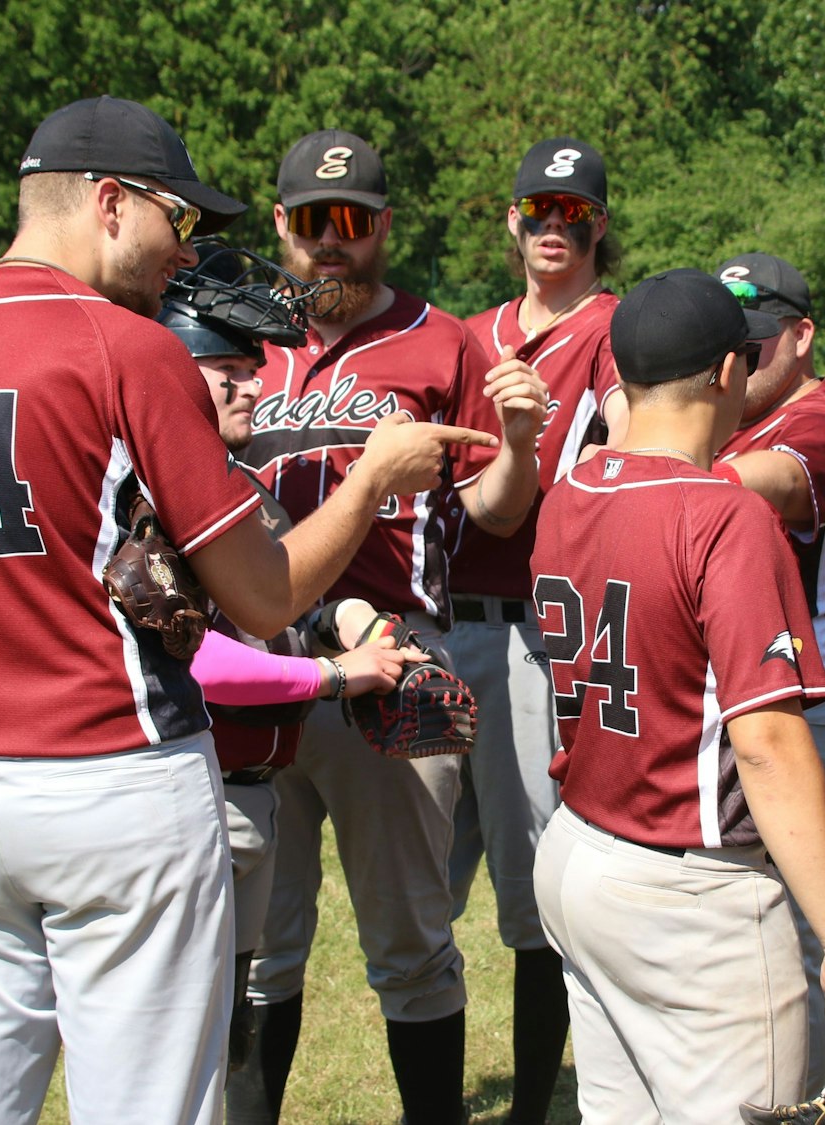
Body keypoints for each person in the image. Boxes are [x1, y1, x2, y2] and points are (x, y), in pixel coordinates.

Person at [0, 97, 487, 1125]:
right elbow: (263, 593)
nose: (187, 249)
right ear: (111, 202)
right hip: (114, 779)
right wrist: (370, 481)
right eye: (180, 217)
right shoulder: (126, 348)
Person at [530, 267, 825, 1121]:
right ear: (729, 371)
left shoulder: (571, 488)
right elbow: (766, 745)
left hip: (578, 849)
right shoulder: (725, 515)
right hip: (688, 888)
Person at [235, 128, 548, 1125]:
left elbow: (492, 510)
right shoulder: (235, 336)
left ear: (383, 226)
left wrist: (520, 445)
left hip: (392, 660)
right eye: (312, 220)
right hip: (252, 662)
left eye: (354, 221)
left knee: (410, 943)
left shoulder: (438, 340)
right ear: (280, 222)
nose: (332, 240)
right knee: (255, 945)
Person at [156, 247, 418, 1092]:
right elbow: (195, 659)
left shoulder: (232, 482)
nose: (251, 387)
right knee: (176, 1049)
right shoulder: (149, 494)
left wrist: (355, 621)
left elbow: (289, 604)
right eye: (226, 372)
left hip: (248, 794)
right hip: (191, 794)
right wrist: (335, 678)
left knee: (225, 1030)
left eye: (251, 369)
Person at [446, 135, 619, 1125]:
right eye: (539, 209)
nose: (555, 226)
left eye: (575, 212)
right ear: (512, 219)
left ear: (599, 225)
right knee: (422, 877)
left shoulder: (614, 328)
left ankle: (530, 1109)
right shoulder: (470, 333)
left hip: (538, 629)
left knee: (531, 890)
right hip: (444, 618)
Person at [711, 251, 825, 1085]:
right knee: (774, 925)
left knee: (793, 935)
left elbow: (775, 479)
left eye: (756, 340)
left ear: (803, 335)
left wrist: (665, 474)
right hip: (775, 704)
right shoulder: (739, 415)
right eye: (728, 344)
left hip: (816, 710)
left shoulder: (821, 424)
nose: (740, 359)